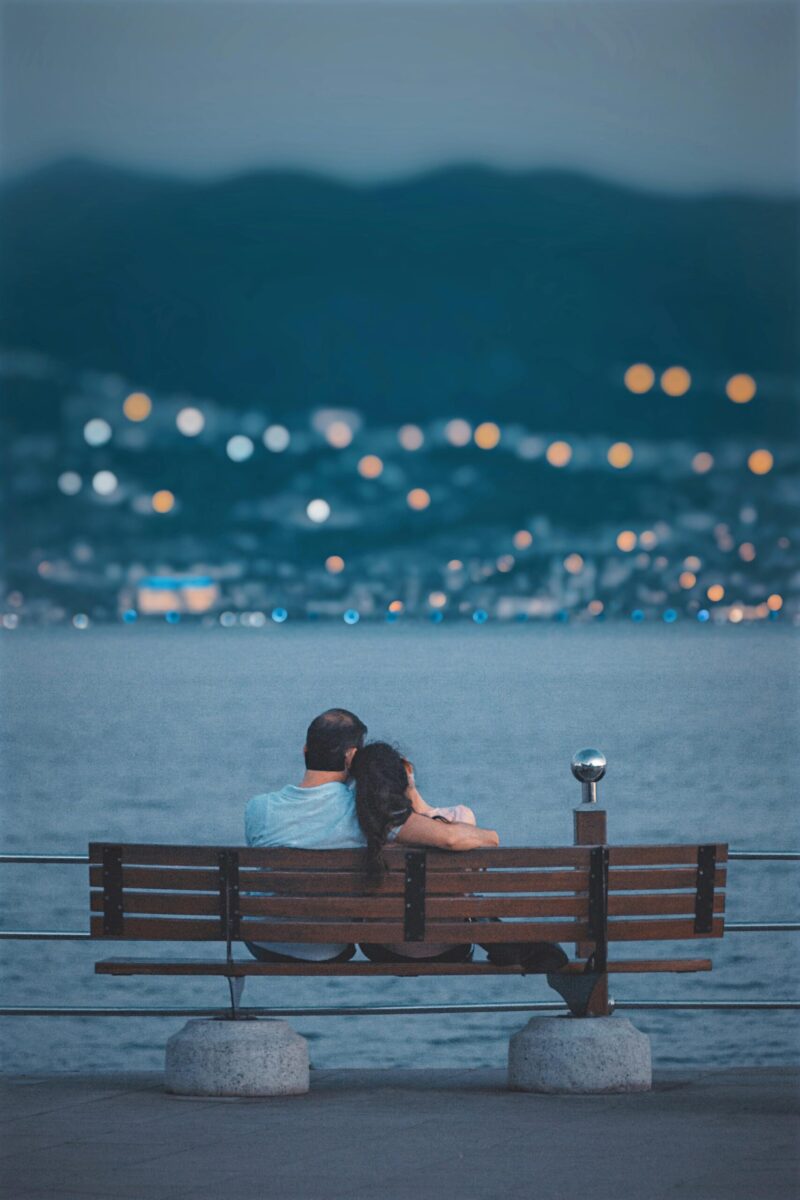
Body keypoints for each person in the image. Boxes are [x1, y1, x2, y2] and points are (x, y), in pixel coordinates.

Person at [350, 742, 568, 971]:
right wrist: (491, 836)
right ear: (407, 770)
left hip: (383, 948)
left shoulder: (364, 831)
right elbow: (465, 843)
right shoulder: (458, 817)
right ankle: (508, 941)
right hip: (449, 946)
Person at [243, 707, 368, 963]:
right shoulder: (362, 810)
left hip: (266, 940)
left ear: (305, 751)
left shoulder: (259, 808)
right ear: (352, 758)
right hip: (330, 945)